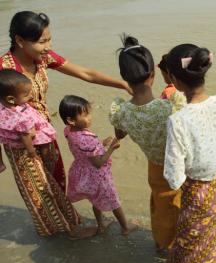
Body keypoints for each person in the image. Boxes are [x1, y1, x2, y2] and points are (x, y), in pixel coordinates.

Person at [0, 11, 131, 192]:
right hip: (22, 143)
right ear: (20, 41)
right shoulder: (4, 70)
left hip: (45, 131)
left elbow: (86, 74)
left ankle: (69, 221)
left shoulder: (43, 58)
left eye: (49, 40)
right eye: (42, 42)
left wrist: (122, 84)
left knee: (57, 183)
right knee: (38, 194)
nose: (48, 46)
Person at [163, 44, 216, 263]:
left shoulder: (178, 120)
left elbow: (173, 177)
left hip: (200, 190)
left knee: (192, 244)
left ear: (172, 79)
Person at [0, 69, 96, 239]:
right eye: (26, 94)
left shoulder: (6, 109)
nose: (30, 97)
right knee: (44, 191)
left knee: (42, 190)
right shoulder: (19, 116)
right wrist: (32, 152)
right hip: (27, 157)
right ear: (11, 99)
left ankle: (52, 227)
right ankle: (70, 230)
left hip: (16, 155)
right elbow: (26, 136)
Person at [109, 35, 184, 251]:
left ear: (124, 77)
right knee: (180, 204)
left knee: (161, 204)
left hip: (154, 165)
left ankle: (162, 242)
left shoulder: (121, 110)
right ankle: (181, 244)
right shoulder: (170, 106)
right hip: (177, 164)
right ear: (152, 75)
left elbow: (120, 134)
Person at [59, 95, 138, 235]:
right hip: (98, 176)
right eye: (85, 115)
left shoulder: (69, 131)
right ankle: (125, 227)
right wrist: (111, 148)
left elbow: (84, 150)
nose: (90, 117)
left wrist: (101, 143)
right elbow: (99, 163)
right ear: (71, 120)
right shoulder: (88, 140)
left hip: (82, 171)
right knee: (114, 201)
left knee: (94, 199)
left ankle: (101, 225)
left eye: (89, 113)